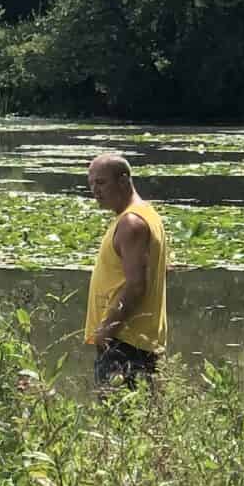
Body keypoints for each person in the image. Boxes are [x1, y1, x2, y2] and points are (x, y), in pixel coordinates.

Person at [83, 152, 168, 390]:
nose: (95, 191)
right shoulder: (146, 215)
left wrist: (106, 331)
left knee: (119, 420)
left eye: (101, 182)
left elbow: (136, 286)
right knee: (141, 421)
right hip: (137, 340)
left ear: (123, 180)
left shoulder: (131, 223)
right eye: (91, 184)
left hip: (125, 343)